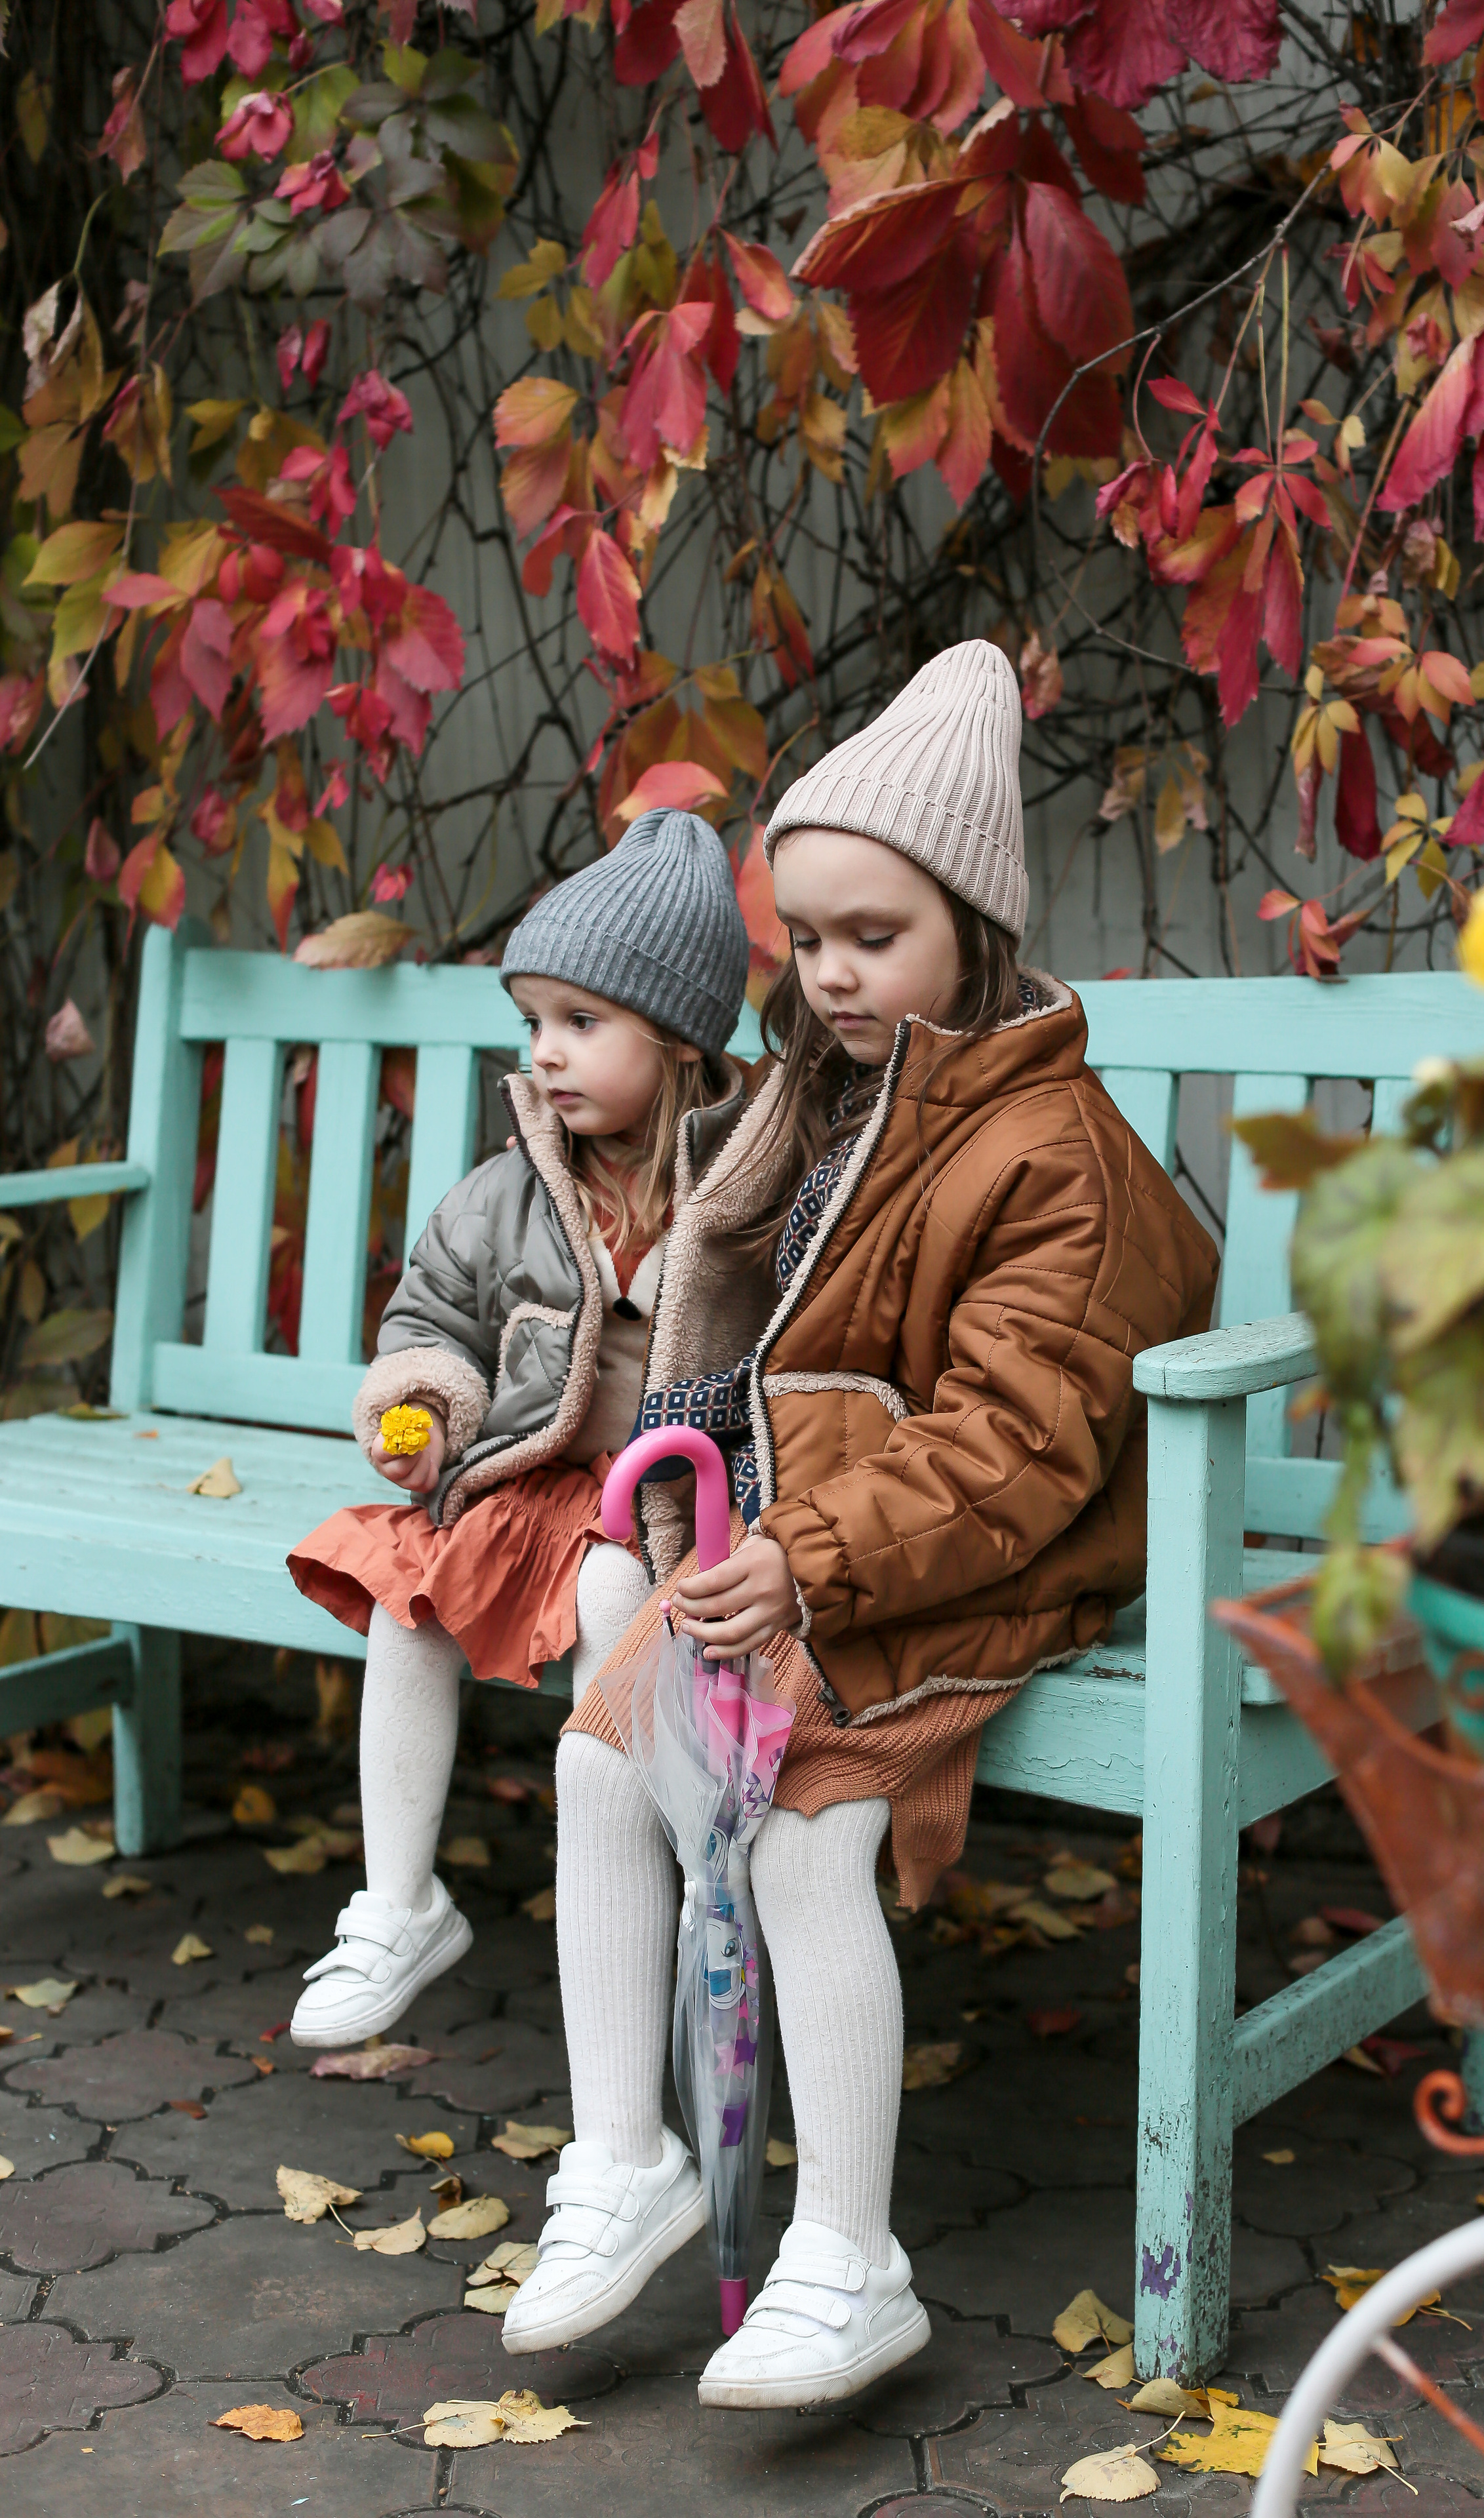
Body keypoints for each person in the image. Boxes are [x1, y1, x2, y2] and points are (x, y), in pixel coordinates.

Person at [500, 641, 1221, 2408]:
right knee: (606, 1763)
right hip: (817, 1535)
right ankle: (629, 2161)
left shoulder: (1056, 1153)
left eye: (870, 937)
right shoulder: (832, 1099)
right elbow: (746, 1327)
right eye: (805, 937)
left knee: (808, 1823)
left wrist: (811, 1561)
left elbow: (1018, 1441)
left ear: (973, 925)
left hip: (995, 1551)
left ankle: (851, 2260)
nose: (826, 975)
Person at [283, 808, 751, 2047]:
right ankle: (399, 1900)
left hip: (681, 1504)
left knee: (615, 1608)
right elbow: (429, 1315)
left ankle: (665, 1898)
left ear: (683, 1038)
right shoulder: (508, 1192)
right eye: (533, 1021)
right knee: (408, 1589)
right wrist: (426, 1409)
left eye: (581, 1023)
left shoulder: (749, 1189)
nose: (546, 1053)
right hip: (540, 1480)